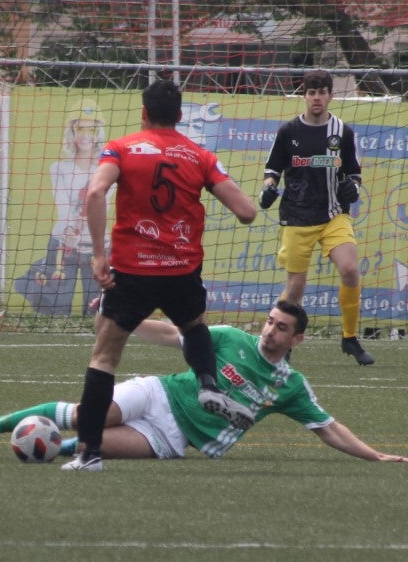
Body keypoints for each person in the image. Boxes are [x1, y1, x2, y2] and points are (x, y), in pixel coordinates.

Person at [0, 299, 408, 467]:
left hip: (174, 437)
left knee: (90, 442)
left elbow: (327, 427)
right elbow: (171, 334)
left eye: (281, 328)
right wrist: (120, 316)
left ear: (298, 340)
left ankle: (54, 448)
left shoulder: (291, 387)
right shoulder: (228, 338)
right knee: (87, 414)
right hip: (158, 393)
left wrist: (375, 454)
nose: (271, 330)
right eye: (270, 322)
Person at [54, 76, 257, 472]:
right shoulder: (200, 155)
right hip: (182, 269)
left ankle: (90, 453)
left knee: (105, 357)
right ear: (179, 116)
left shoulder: (120, 148)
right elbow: (247, 212)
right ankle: (207, 384)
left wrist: (98, 255)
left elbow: (95, 193)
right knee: (193, 325)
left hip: (132, 272)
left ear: (144, 113)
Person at [260, 69, 374, 366]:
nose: (317, 98)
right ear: (305, 97)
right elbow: (272, 171)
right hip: (297, 216)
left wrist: (353, 187)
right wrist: (269, 190)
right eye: (312, 93)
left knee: (350, 269)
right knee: (296, 288)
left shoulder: (343, 132)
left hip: (333, 215)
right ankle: (279, 343)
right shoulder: (288, 132)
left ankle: (349, 338)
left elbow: (355, 174)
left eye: (322, 92)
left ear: (330, 96)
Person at [15, 100, 106, 316]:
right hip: (62, 244)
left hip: (96, 244)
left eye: (91, 128)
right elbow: (63, 204)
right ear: (71, 131)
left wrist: (85, 230)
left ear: (98, 133)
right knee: (56, 307)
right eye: (79, 128)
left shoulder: (106, 168)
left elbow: (103, 203)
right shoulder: (59, 168)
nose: (85, 134)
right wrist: (69, 232)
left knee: (97, 309)